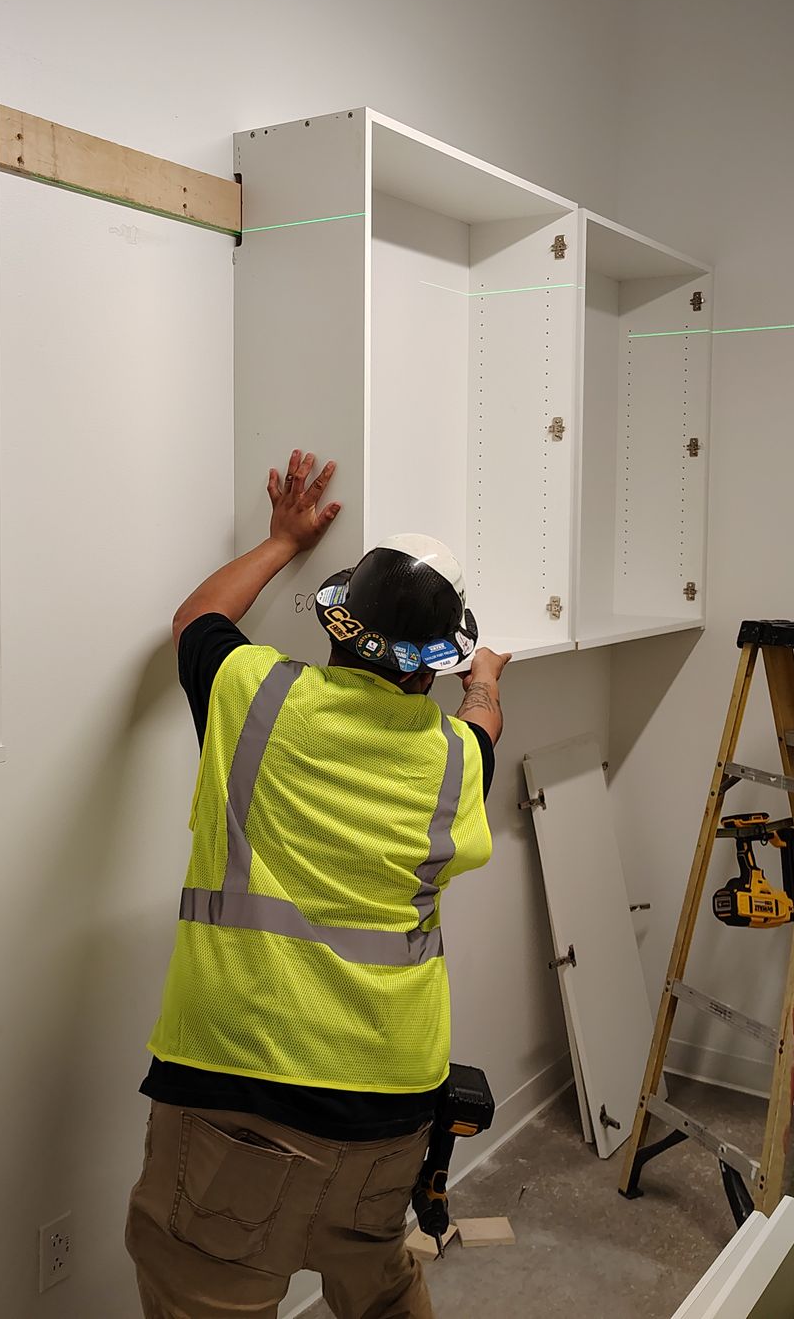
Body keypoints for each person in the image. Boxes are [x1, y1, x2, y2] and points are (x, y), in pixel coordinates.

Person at [125, 448, 511, 1319]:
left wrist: (282, 540)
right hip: (392, 1106)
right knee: (378, 1290)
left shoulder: (252, 693)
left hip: (240, 1094)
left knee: (206, 1296)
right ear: (435, 664)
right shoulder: (457, 761)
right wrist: (484, 678)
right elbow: (482, 720)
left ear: (339, 626)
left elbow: (198, 616)